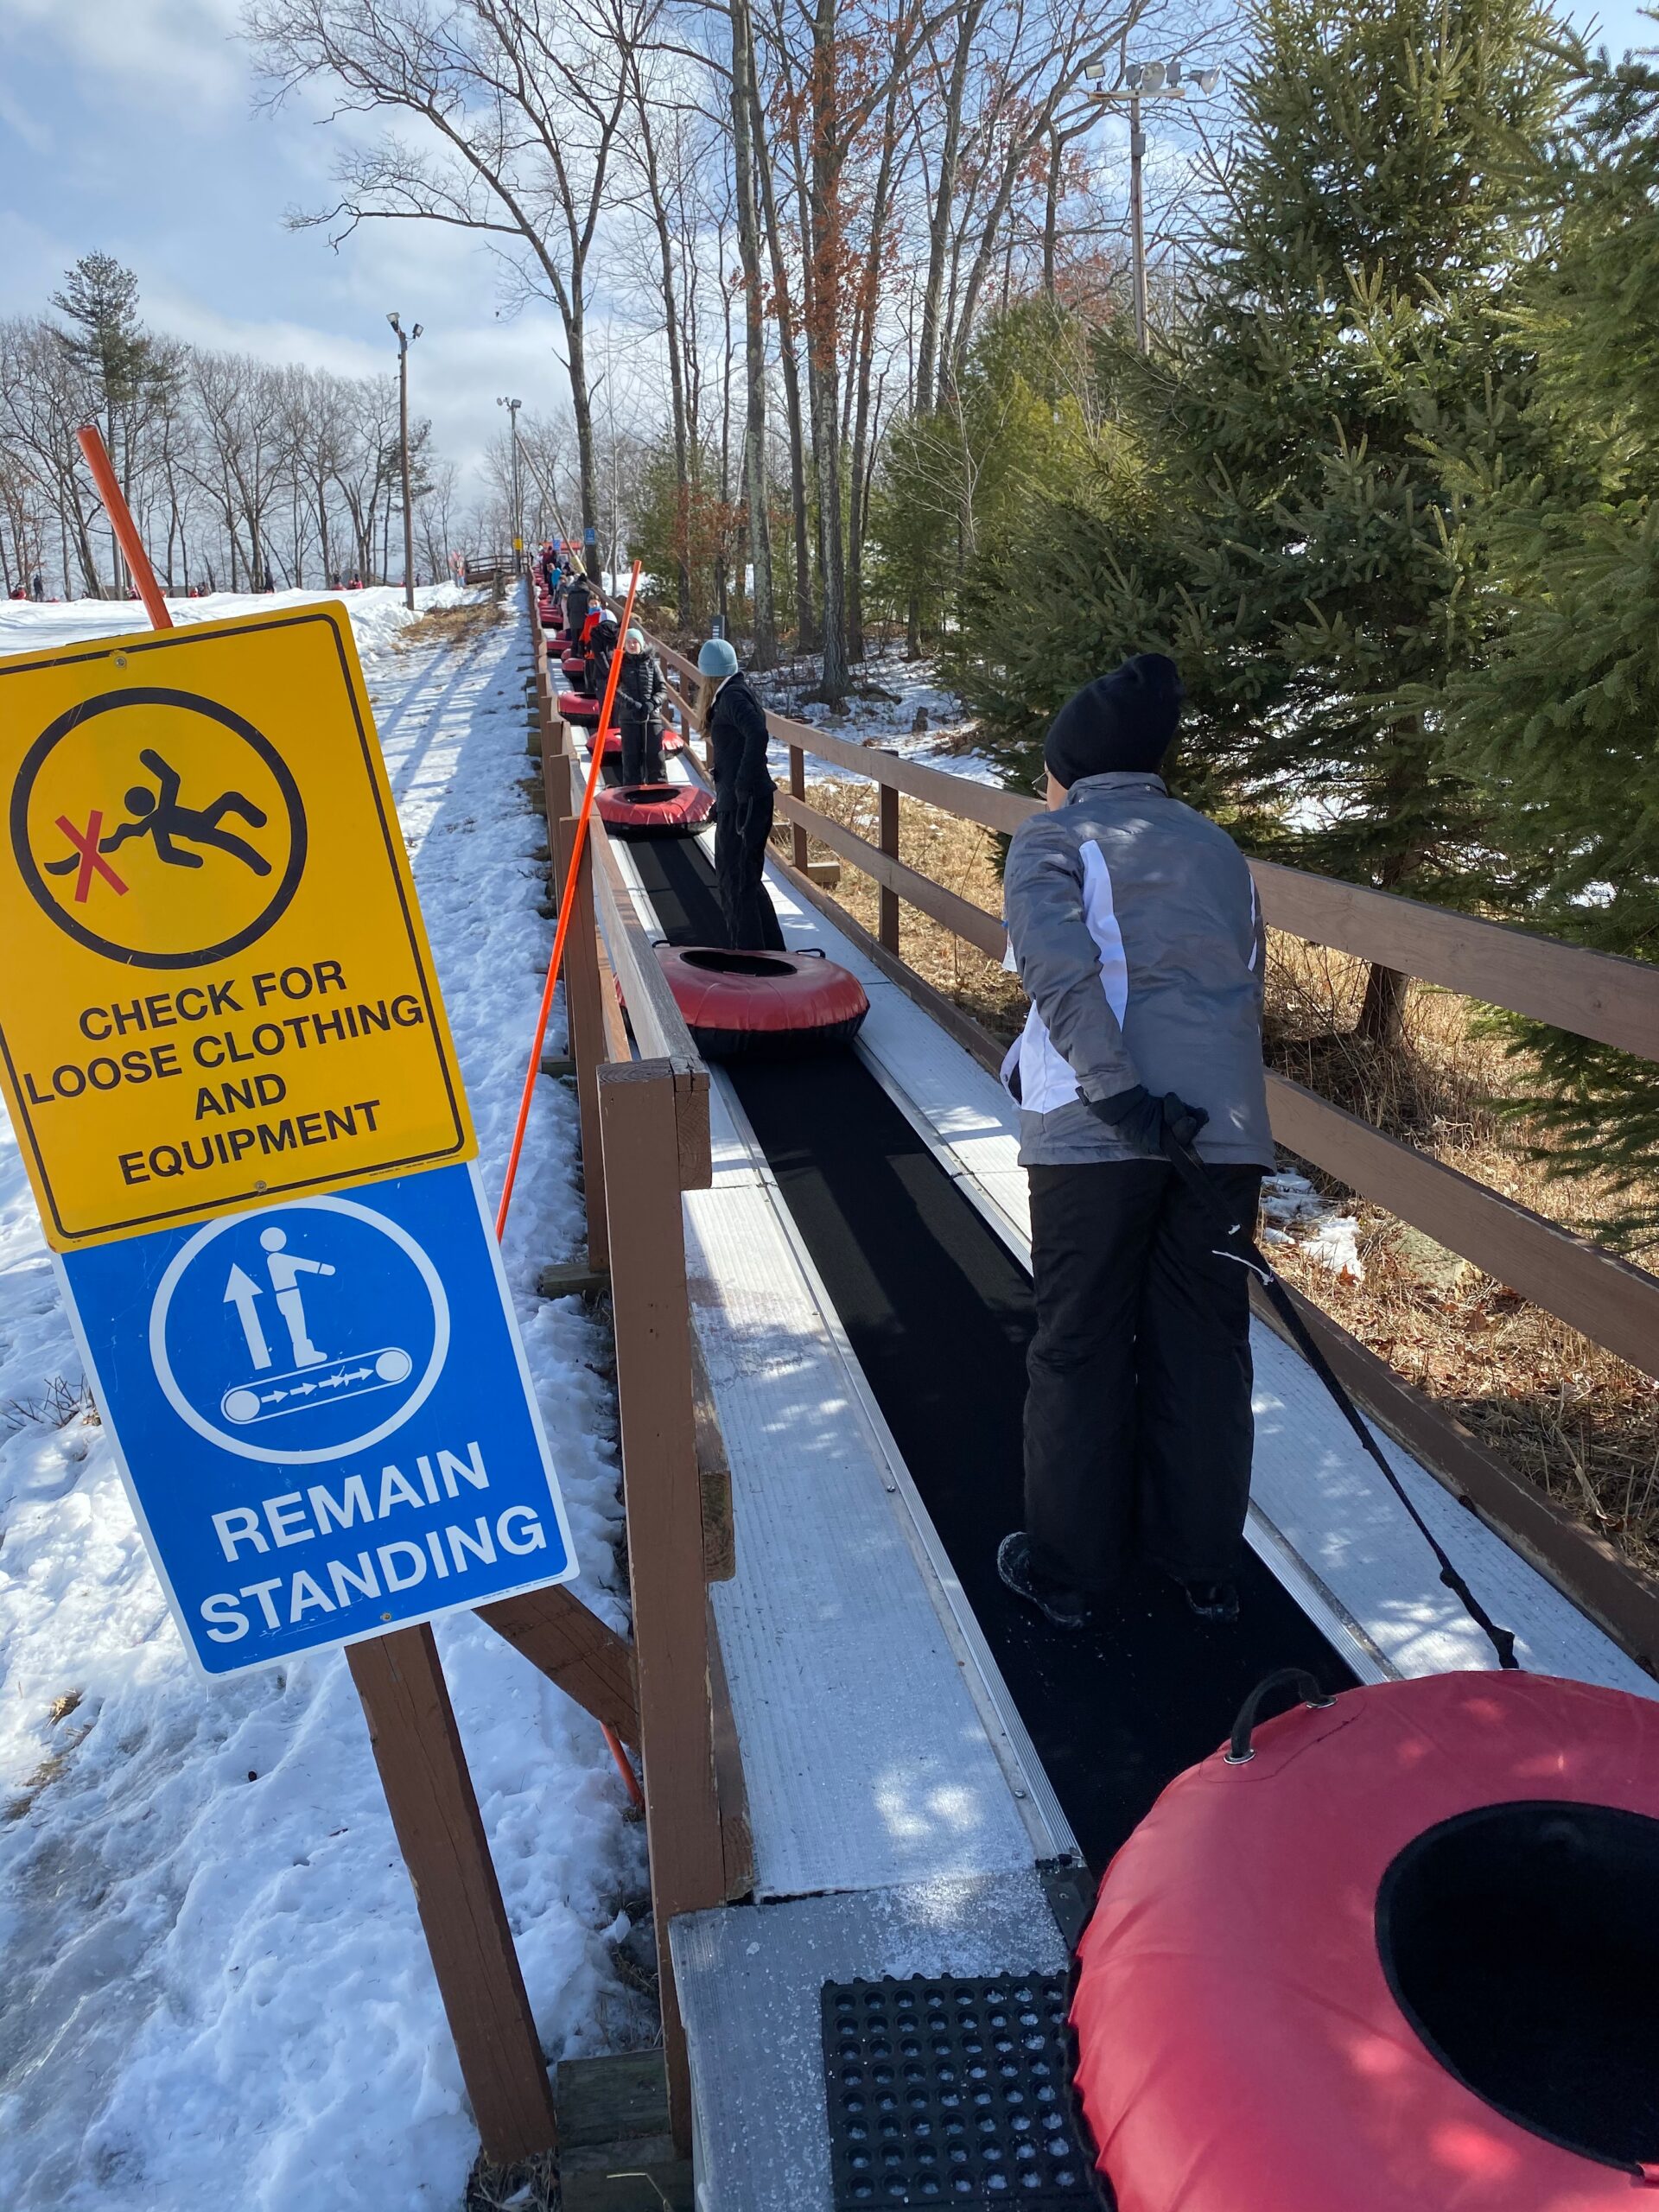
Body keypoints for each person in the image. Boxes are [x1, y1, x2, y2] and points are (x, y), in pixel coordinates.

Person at [995, 652, 1272, 1634]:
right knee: (1205, 1344)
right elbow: (1241, 984)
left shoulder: (1053, 838)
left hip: (1096, 1134)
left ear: (1072, 766)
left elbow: (1057, 973)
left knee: (1080, 1342)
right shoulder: (1219, 849)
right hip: (1219, 1138)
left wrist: (1116, 1095)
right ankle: (1202, 1566)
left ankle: (1071, 1570)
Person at [699, 636, 784, 951]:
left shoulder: (731, 697)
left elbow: (757, 733)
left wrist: (742, 785)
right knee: (746, 880)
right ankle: (771, 952)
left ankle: (747, 959)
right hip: (743, 802)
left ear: (707, 673)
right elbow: (738, 748)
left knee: (734, 883)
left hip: (744, 804)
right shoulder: (736, 691)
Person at [615, 627, 668, 784]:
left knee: (655, 757)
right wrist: (631, 704)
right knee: (631, 759)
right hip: (629, 718)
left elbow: (663, 689)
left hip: (651, 717)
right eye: (629, 642)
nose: (632, 645)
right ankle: (631, 791)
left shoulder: (651, 663)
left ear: (641, 644)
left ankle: (659, 789)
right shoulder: (619, 664)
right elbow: (613, 690)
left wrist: (653, 703)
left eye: (635, 642)